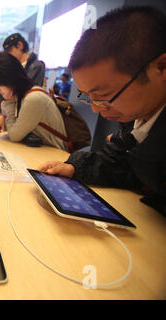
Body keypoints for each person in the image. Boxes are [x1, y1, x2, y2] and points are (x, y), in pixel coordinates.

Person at [38, 6, 166, 214]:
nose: (96, 110)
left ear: (161, 68)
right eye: (90, 97)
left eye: (104, 97)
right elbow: (119, 160)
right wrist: (75, 168)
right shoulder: (135, 117)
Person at [0, 51, 68, 151]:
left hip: (55, 155)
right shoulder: (24, 95)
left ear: (9, 79)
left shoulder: (33, 98)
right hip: (42, 150)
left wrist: (8, 103)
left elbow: (15, 135)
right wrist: (3, 116)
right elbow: (19, 125)